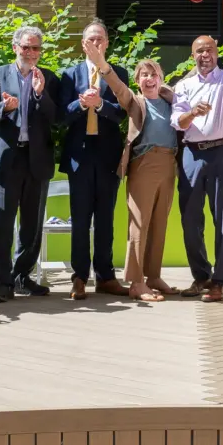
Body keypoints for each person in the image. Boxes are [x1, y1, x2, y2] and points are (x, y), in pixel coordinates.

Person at [83, 40, 178, 302]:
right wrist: (102, 64)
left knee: (160, 223)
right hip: (144, 164)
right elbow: (117, 87)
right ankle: (136, 282)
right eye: (144, 75)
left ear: (161, 78)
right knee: (140, 224)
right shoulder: (135, 102)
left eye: (154, 74)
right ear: (138, 81)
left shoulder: (172, 101)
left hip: (169, 164)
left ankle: (154, 276)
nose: (150, 78)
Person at [171, 0, 223, 303]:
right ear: (192, 56)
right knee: (190, 220)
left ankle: (220, 280)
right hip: (192, 154)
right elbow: (176, 122)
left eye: (209, 50)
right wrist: (192, 113)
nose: (205, 55)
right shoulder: (183, 86)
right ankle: (200, 276)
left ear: (217, 52)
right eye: (199, 51)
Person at [0, 26, 60, 304]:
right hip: (7, 160)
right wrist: (5, 107)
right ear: (15, 47)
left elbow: (57, 118)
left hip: (36, 160)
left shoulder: (48, 78)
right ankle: (2, 281)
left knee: (32, 224)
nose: (30, 53)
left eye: (35, 48)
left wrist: (40, 95)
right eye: (25, 47)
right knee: (3, 221)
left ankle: (22, 276)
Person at [59, 19, 130, 300]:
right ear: (83, 45)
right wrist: (80, 104)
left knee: (105, 219)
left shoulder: (118, 73)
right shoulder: (69, 74)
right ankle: (79, 276)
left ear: (107, 43)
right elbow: (60, 116)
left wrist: (99, 105)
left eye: (100, 39)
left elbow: (124, 112)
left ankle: (106, 276)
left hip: (108, 156)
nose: (96, 43)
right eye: (91, 39)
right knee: (79, 219)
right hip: (80, 157)